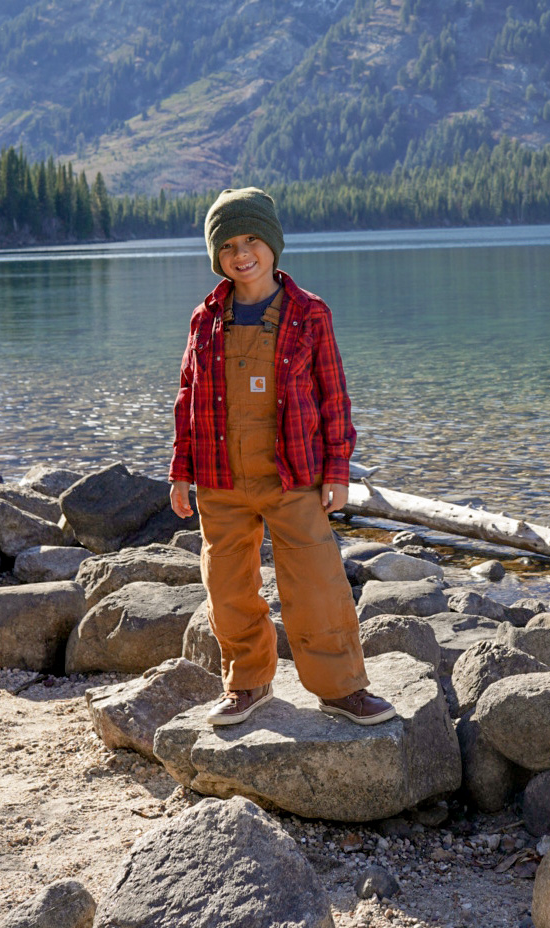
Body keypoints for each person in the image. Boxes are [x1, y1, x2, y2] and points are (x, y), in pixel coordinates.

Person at [169, 186, 394, 728]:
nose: (241, 253)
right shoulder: (206, 319)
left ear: (271, 243)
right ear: (216, 256)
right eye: (227, 246)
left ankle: (341, 688)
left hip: (292, 476)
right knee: (228, 588)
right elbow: (186, 395)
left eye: (251, 240)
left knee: (316, 583)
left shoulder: (308, 312)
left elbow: (334, 395)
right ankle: (247, 684)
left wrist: (337, 469)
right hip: (220, 478)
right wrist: (180, 471)